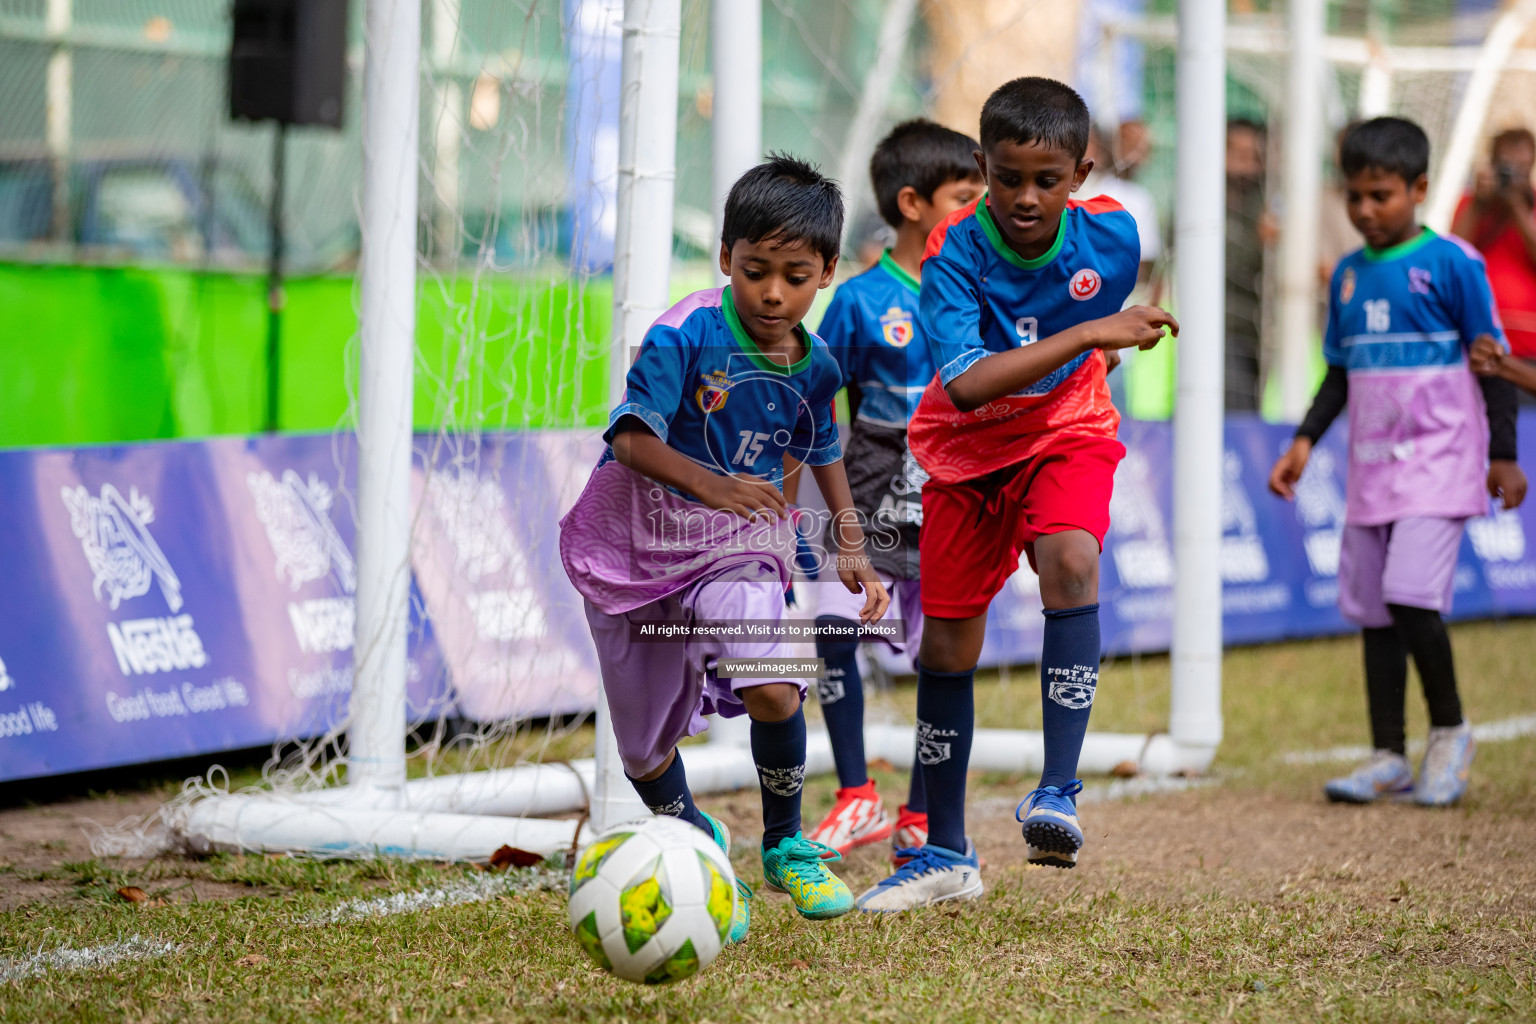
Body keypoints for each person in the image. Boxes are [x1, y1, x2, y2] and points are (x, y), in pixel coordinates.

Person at [855, 77, 1177, 912]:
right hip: (963, 457)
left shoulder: (1112, 239)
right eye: (1007, 178)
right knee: (948, 654)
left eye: (1047, 179)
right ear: (981, 167)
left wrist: (1100, 349)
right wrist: (1093, 334)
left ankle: (1058, 792)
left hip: (1068, 432)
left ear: (1082, 172)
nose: (1026, 198)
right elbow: (963, 385)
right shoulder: (954, 252)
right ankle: (946, 854)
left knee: (1073, 562)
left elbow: (1091, 339)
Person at [559, 155, 891, 940]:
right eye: (755, 271)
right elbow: (634, 439)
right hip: (632, 549)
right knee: (643, 750)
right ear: (725, 259)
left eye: (795, 275)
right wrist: (715, 485)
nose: (774, 293)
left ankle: (786, 844)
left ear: (827, 272)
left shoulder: (816, 367)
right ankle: (695, 848)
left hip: (741, 544)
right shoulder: (684, 331)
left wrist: (849, 541)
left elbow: (821, 445)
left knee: (774, 679)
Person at [1268, 117, 1526, 808]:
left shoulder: (1454, 265)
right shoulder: (1349, 277)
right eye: (1354, 197)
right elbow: (1341, 372)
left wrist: (1504, 454)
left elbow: (1493, 362)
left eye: (1380, 195)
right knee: (1377, 612)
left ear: (1417, 188)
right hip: (1371, 470)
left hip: (1441, 463)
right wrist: (1304, 440)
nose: (1364, 211)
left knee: (1412, 595)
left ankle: (1450, 733)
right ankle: (1388, 755)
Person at [795, 119, 983, 862]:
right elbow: (818, 400)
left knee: (944, 652)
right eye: (965, 196)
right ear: (913, 203)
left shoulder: (978, 296)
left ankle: (919, 811)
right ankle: (855, 796)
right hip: (872, 481)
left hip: (951, 487)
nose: (979, 210)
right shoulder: (863, 299)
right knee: (835, 631)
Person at [1453, 128, 1536, 398]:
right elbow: (1452, 260)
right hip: (1477, 349)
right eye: (1507, 169)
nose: (1513, 177)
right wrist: (1478, 205)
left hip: (1529, 353)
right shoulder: (1473, 204)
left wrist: (1518, 209)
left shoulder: (1531, 207)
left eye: (1522, 169)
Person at [1226, 118, 1274, 411]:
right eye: (1238, 155)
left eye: (1254, 157)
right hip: (1223, 331)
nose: (1246, 166)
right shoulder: (1199, 204)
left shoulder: (1264, 200)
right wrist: (1259, 242)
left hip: (1262, 335)